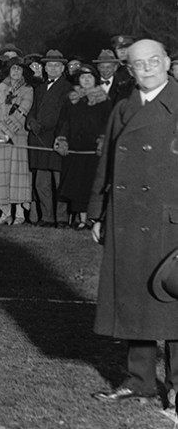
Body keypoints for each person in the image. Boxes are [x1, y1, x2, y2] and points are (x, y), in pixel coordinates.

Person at [88, 39, 178, 404]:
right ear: (130, 69)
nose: (147, 68)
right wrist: (97, 212)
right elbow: (107, 163)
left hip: (170, 220)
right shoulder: (123, 108)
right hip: (127, 216)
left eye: (153, 61)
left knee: (173, 301)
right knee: (134, 298)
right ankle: (139, 379)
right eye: (138, 64)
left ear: (167, 62)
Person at [54, 68, 110, 230]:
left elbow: (107, 123)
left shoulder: (104, 100)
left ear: (95, 79)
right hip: (75, 150)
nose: (86, 80)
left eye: (89, 77)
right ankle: (82, 220)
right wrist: (62, 140)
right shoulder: (72, 100)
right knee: (77, 186)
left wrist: (103, 142)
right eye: (83, 77)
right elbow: (64, 121)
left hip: (94, 151)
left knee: (92, 186)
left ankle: (94, 219)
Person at [27, 50, 72, 227]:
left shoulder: (67, 87)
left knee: (59, 181)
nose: (52, 68)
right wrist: (31, 121)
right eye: (49, 65)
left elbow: (62, 113)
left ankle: (61, 218)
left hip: (56, 137)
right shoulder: (40, 88)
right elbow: (33, 108)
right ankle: (47, 217)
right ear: (44, 68)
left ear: (62, 69)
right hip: (39, 139)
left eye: (56, 66)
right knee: (41, 182)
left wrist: (42, 125)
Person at [0, 59, 33, 225]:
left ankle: (19, 213)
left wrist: (6, 131)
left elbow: (22, 112)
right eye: (13, 69)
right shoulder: (0, 88)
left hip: (17, 136)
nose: (15, 72)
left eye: (19, 69)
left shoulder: (28, 90)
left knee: (17, 176)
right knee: (0, 176)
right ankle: (5, 213)